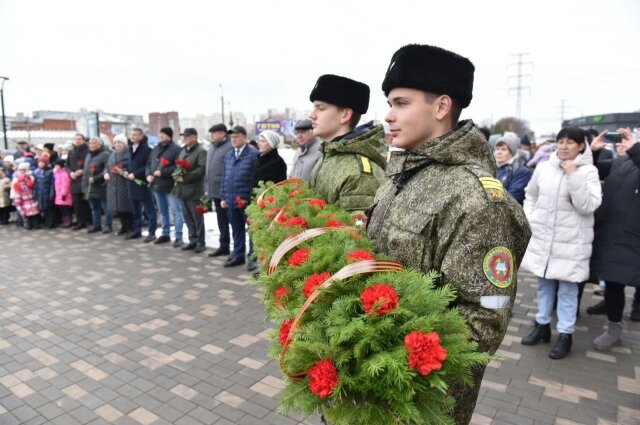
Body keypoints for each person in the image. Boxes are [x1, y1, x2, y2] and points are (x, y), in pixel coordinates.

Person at [366, 44, 531, 425]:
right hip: (369, 383)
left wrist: (400, 367)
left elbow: (483, 319)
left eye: (401, 103)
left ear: (441, 107)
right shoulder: (400, 176)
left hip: (415, 401)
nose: (388, 116)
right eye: (389, 103)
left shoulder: (474, 196)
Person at [520, 127, 601, 359]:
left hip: (571, 243)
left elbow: (588, 205)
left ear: (581, 146)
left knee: (567, 291)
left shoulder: (588, 172)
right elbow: (531, 194)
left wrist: (574, 175)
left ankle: (565, 334)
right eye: (561, 141)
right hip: (544, 238)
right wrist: (531, 218)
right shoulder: (544, 168)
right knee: (544, 286)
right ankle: (541, 325)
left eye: (570, 142)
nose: (564, 146)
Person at [588, 128, 640, 349]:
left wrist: (635, 149)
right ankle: (613, 323)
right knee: (612, 281)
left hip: (631, 236)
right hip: (611, 231)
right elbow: (595, 171)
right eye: (620, 140)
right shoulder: (621, 163)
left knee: (620, 279)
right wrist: (594, 153)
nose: (621, 143)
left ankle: (618, 326)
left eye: (627, 139)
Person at [308, 74, 387, 211]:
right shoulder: (328, 155)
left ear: (345, 115)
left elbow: (353, 232)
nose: (312, 115)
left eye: (321, 108)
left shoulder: (360, 175)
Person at [220, 126, 259, 267]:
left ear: (244, 137)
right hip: (230, 200)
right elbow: (225, 177)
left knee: (252, 231)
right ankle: (238, 255)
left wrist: (251, 199)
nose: (234, 140)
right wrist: (223, 197)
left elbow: (255, 180)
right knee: (236, 230)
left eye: (236, 137)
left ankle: (252, 258)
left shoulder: (253, 154)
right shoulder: (229, 155)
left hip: (246, 201)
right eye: (232, 137)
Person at [146, 127, 184, 246]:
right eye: (160, 133)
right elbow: (149, 164)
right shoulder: (156, 148)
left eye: (163, 134)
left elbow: (178, 167)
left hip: (170, 185)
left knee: (176, 211)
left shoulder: (176, 149)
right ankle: (165, 233)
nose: (161, 136)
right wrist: (148, 175)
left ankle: (178, 236)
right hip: (157, 185)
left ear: (169, 135)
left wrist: (163, 172)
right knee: (162, 211)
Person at [174, 128, 207, 253]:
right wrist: (176, 174)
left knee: (197, 218)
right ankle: (192, 240)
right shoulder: (183, 150)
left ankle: (201, 242)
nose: (185, 138)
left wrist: (185, 177)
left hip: (194, 190)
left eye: (187, 136)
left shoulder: (201, 151)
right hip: (182, 190)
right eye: (184, 136)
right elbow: (178, 165)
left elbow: (201, 169)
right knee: (187, 217)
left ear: (194, 137)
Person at [204, 123, 233, 257]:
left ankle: (237, 248)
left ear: (222, 134)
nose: (212, 136)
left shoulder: (229, 147)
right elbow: (207, 169)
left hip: (226, 191)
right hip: (214, 190)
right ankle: (224, 245)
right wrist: (206, 187)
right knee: (221, 220)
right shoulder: (212, 147)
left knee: (232, 220)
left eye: (214, 133)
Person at [126, 128, 157, 240]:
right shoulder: (130, 149)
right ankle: (137, 230)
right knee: (135, 210)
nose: (132, 137)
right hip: (131, 183)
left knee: (149, 209)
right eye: (131, 135)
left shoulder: (147, 150)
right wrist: (126, 172)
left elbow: (147, 166)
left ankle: (152, 232)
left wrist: (135, 174)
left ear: (141, 136)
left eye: (135, 135)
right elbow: (129, 164)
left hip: (142, 183)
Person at [105, 134, 133, 236]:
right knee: (119, 208)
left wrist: (121, 171)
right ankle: (123, 227)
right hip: (113, 184)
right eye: (115, 142)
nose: (117, 144)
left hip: (124, 184)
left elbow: (129, 167)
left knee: (126, 208)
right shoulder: (112, 154)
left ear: (124, 144)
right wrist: (106, 173)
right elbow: (107, 166)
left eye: (119, 142)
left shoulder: (128, 153)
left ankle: (129, 227)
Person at [82, 137, 111, 233]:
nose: (92, 145)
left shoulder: (105, 154)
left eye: (94, 143)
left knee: (105, 207)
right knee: (94, 207)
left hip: (101, 185)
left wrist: (96, 178)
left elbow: (107, 169)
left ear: (99, 144)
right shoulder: (88, 155)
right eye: (90, 143)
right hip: (90, 186)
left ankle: (108, 225)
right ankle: (96, 224)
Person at [494, 134, 532, 204]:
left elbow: (512, 198)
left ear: (512, 153)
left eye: (504, 149)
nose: (499, 152)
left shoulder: (522, 172)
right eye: (497, 149)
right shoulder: (492, 167)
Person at [67, 134, 92, 230]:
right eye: (76, 139)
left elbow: (90, 164)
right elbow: (67, 165)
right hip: (74, 180)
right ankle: (80, 221)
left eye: (79, 139)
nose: (77, 141)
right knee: (77, 204)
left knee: (86, 202)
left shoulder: (88, 151)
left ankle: (89, 221)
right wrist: (70, 173)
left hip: (84, 179)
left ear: (83, 140)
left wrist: (82, 170)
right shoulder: (71, 152)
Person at [12, 162, 39, 229]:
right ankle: (27, 224)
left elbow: (33, 187)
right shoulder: (16, 179)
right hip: (23, 201)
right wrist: (13, 196)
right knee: (25, 215)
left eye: (23, 170)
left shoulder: (30, 177)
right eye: (20, 170)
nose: (22, 171)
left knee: (34, 214)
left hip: (31, 200)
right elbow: (13, 188)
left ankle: (35, 224)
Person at [33, 156, 55, 228]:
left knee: (49, 208)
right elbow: (35, 184)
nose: (40, 164)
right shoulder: (36, 172)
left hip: (47, 192)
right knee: (43, 208)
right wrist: (34, 193)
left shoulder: (50, 172)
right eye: (39, 162)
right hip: (40, 193)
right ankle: (46, 221)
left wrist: (52, 193)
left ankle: (51, 222)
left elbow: (52, 184)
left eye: (42, 162)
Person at [53, 159, 73, 227]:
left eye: (57, 165)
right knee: (62, 209)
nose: (55, 166)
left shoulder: (64, 174)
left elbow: (65, 184)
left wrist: (64, 193)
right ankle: (65, 221)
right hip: (58, 194)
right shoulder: (56, 173)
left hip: (64, 194)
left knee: (66, 209)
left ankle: (68, 221)